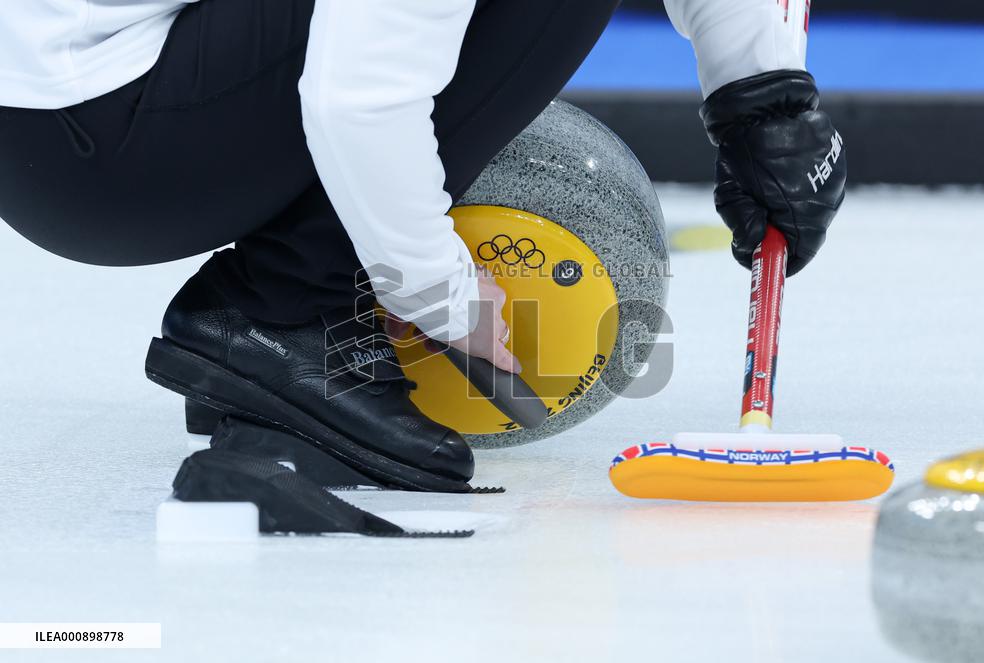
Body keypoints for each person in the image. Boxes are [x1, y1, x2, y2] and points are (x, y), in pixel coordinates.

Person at [0, 0, 845, 489]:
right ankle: (287, 310)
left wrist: (763, 97)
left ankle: (282, 308)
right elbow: (357, 98)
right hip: (97, 128)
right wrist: (447, 299)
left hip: (66, 110)